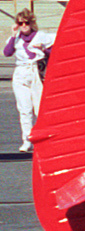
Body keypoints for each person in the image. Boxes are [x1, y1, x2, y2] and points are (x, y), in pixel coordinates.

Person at [5, 9, 53, 152]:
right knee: (24, 109)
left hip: (35, 71)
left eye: (27, 22)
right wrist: (13, 36)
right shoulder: (16, 38)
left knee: (40, 108)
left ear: (32, 23)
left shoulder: (41, 36)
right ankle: (27, 139)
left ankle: (44, 138)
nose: (24, 25)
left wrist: (44, 49)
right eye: (20, 23)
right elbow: (7, 52)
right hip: (21, 72)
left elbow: (53, 52)